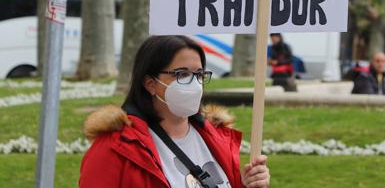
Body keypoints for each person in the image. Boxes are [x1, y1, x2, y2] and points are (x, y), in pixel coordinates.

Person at [79, 35, 270, 188]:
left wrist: (247, 185)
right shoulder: (115, 147)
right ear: (150, 84)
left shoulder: (217, 137)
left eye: (199, 74)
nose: (194, 83)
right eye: (182, 74)